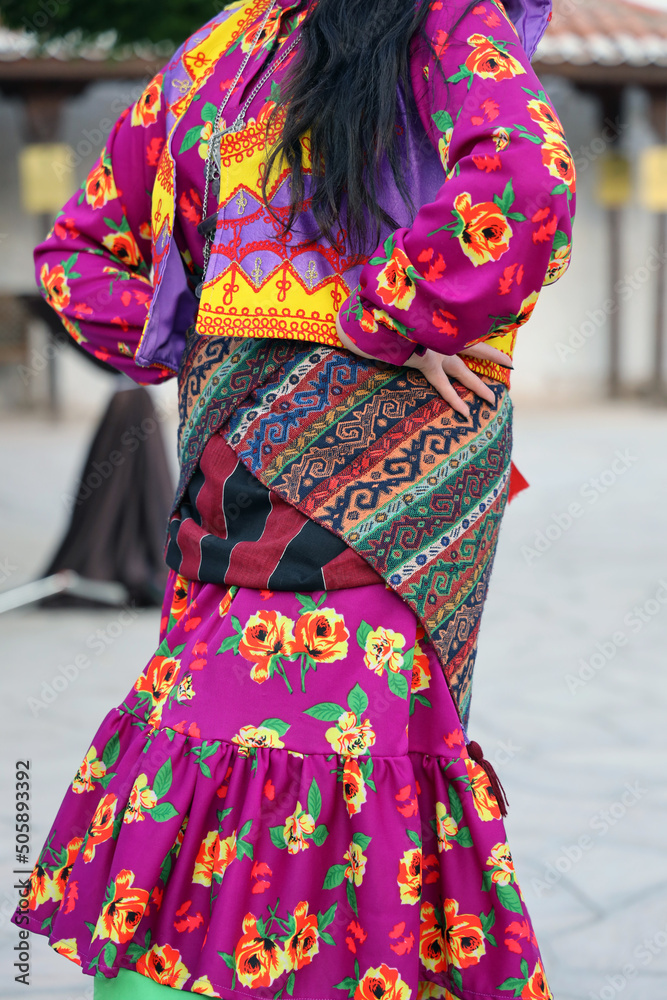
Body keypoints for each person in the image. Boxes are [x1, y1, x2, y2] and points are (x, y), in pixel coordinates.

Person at [14, 1, 575, 998]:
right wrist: (372, 319)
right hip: (297, 504)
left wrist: (322, 325)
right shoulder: (388, 28)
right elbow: (79, 256)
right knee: (325, 798)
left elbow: (524, 182)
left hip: (346, 514)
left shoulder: (236, 47)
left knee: (240, 786)